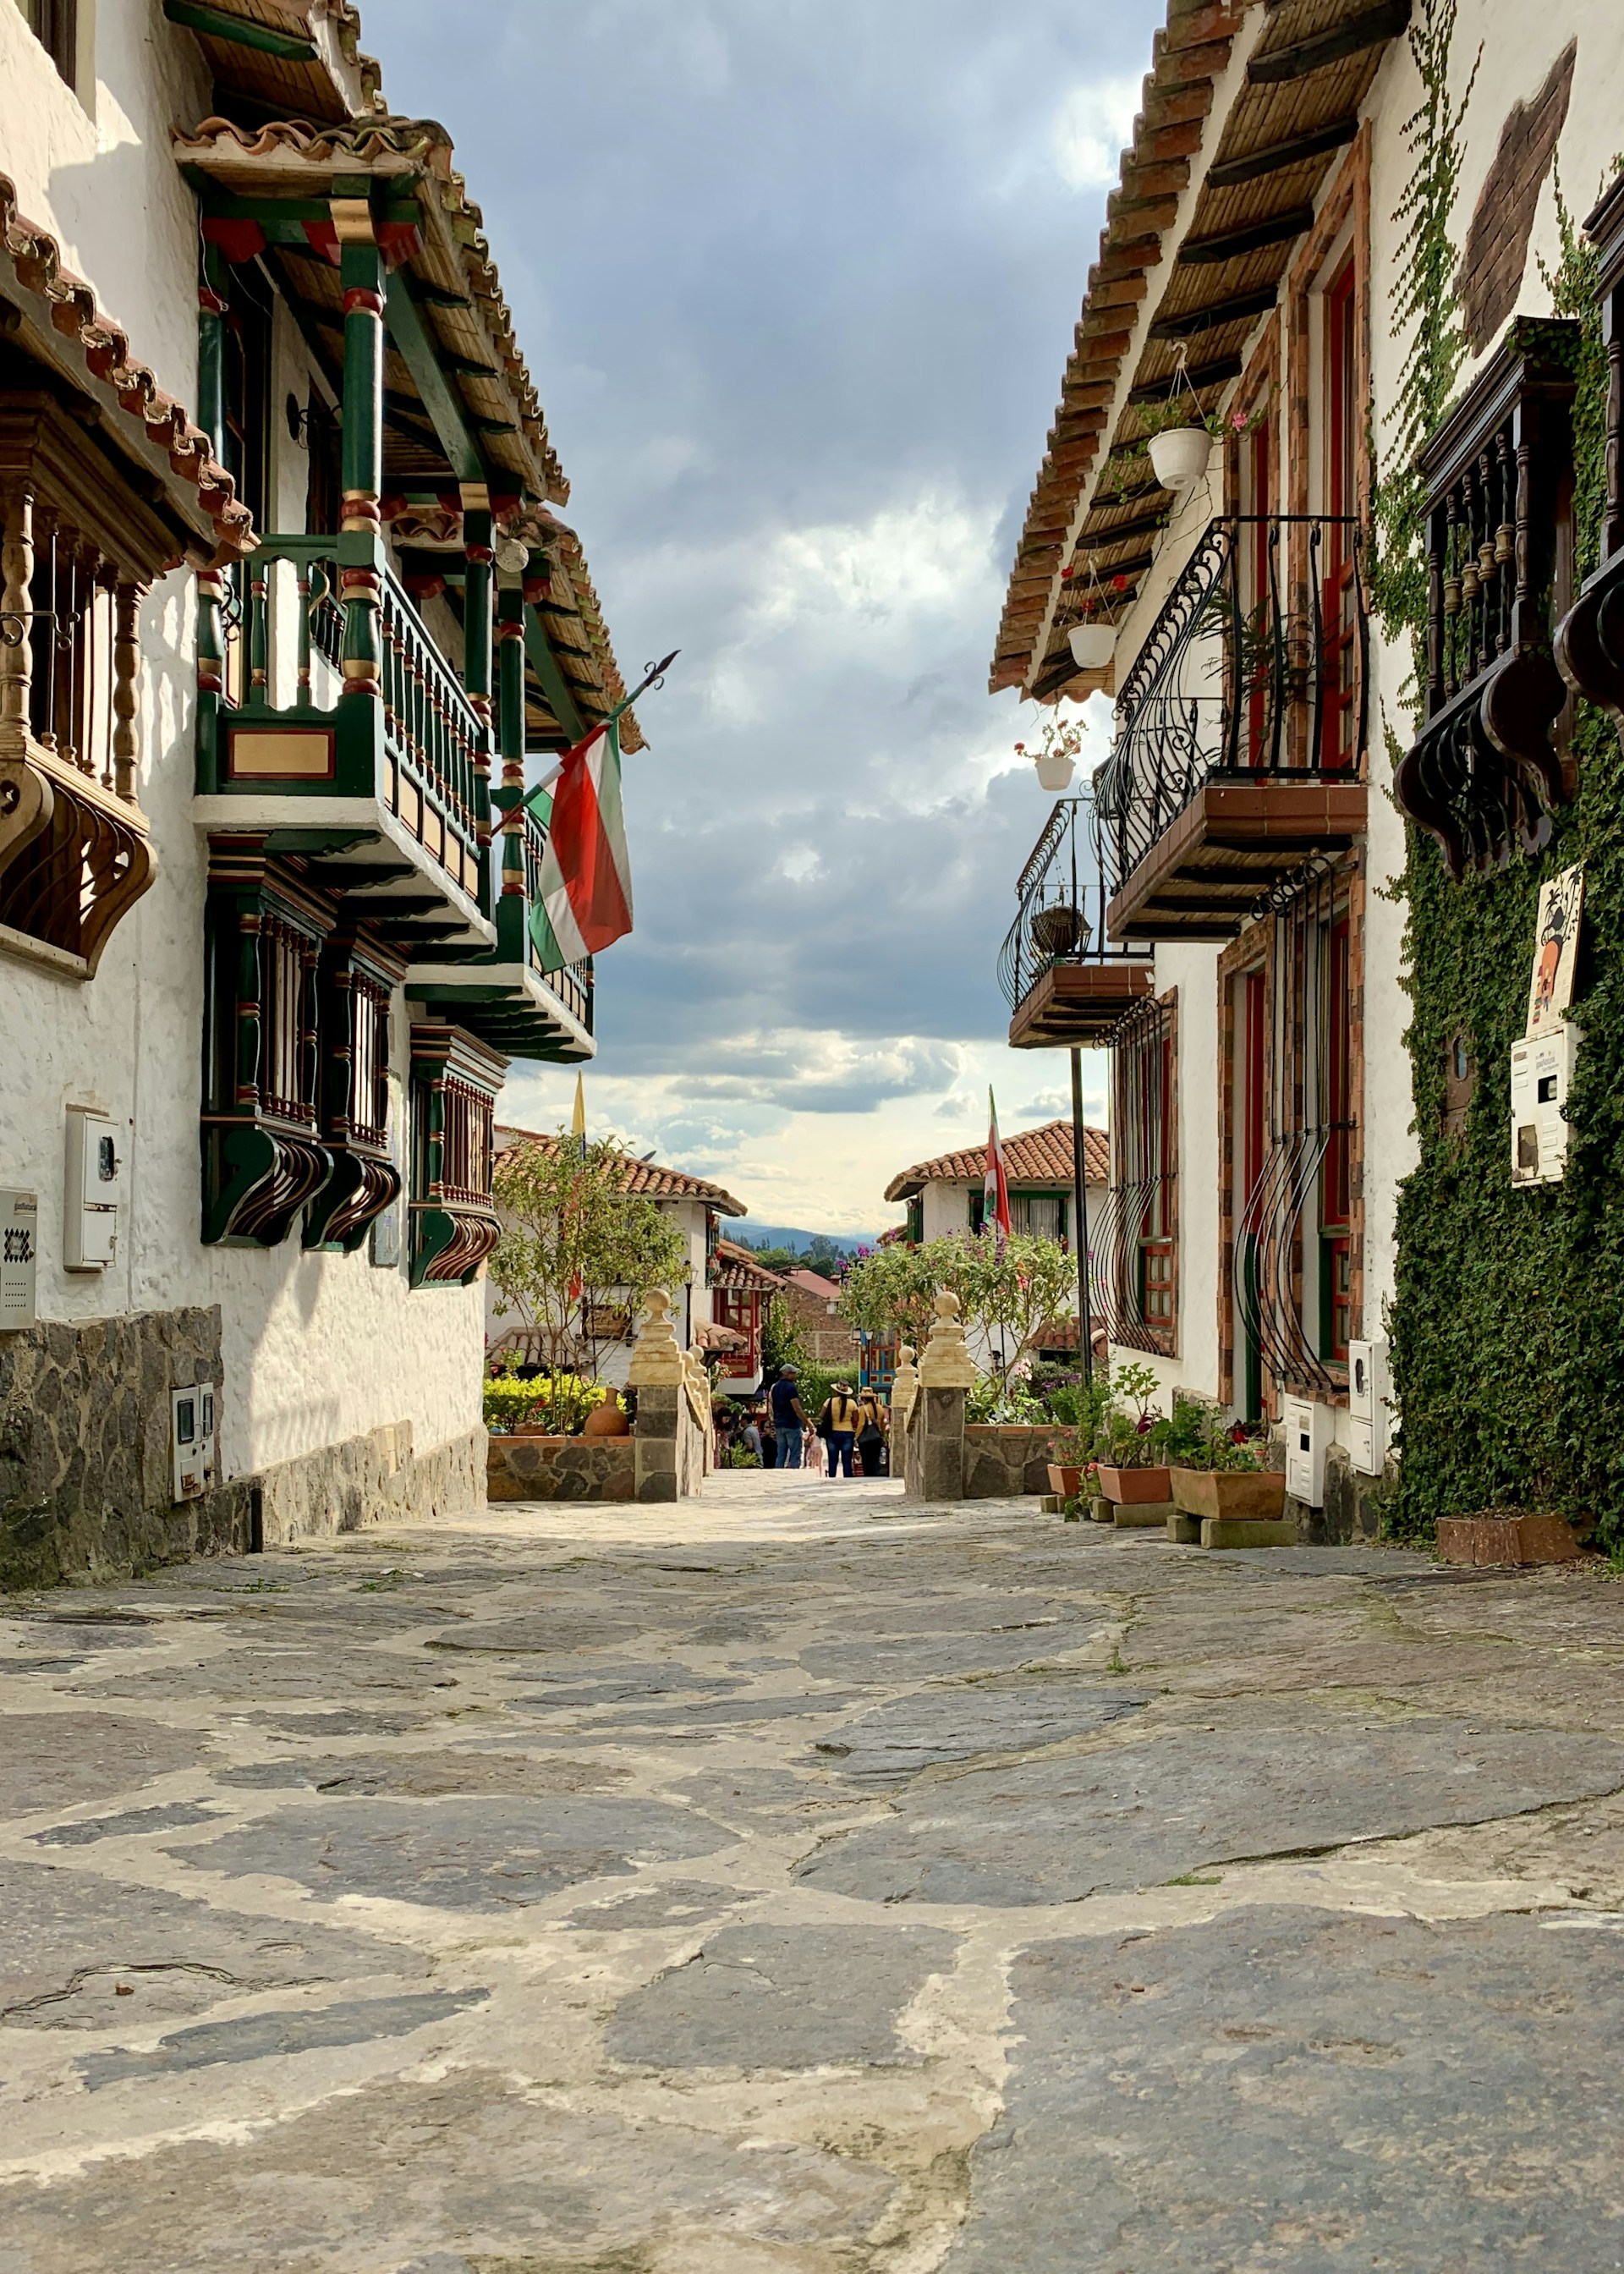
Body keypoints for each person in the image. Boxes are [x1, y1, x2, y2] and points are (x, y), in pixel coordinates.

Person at [818, 1382, 863, 1479]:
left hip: (832, 1432)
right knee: (847, 1460)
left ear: (836, 1392)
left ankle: (832, 1478)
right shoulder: (852, 1403)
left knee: (832, 1459)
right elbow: (855, 1419)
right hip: (848, 1433)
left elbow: (821, 1415)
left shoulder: (829, 1401)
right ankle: (847, 1479)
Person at [769, 1366, 805, 1467]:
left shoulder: (775, 1387)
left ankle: (778, 1473)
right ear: (787, 1374)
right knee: (795, 1453)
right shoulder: (791, 1387)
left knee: (781, 1453)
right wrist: (808, 1423)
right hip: (791, 1424)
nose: (795, 1375)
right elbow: (797, 1408)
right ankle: (793, 1474)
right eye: (793, 1373)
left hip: (779, 1424)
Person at [857, 1391, 886, 1477]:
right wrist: (883, 1435)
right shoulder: (880, 1408)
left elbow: (861, 1424)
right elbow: (882, 1424)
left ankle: (868, 1476)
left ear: (864, 1399)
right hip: (877, 1436)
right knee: (875, 1458)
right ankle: (876, 1475)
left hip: (865, 1438)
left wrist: (856, 1436)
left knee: (866, 1460)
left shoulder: (863, 1409)